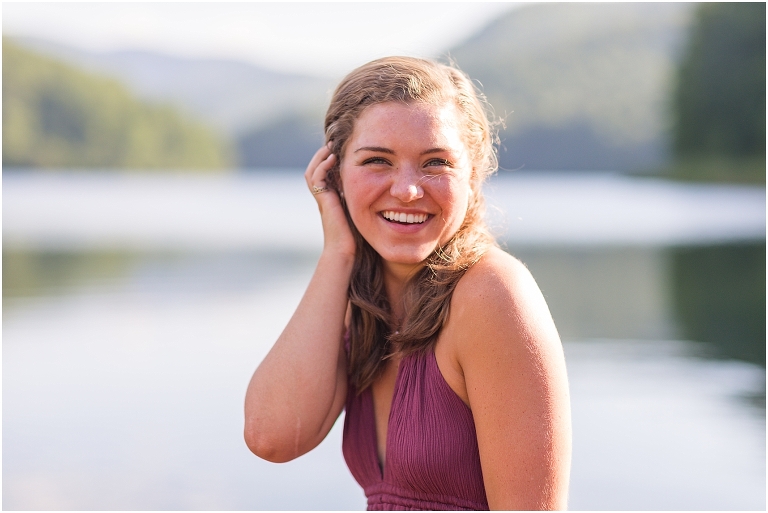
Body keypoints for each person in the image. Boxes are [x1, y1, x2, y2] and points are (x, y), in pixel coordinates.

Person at [244, 56, 571, 511]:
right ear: (334, 174)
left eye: (435, 163)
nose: (407, 190)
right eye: (377, 161)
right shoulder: (359, 298)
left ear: (473, 177)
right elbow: (272, 437)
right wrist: (338, 253)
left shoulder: (492, 295)